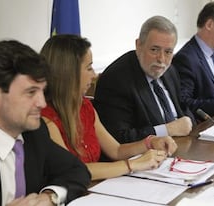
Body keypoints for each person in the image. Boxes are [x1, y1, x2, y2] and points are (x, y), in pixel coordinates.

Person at [0, 40, 90, 206]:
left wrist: (49, 197)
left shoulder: (33, 132)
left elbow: (77, 170)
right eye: (31, 92)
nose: (42, 103)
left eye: (42, 91)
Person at [40, 34, 177, 181]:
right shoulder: (45, 119)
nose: (93, 75)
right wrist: (132, 165)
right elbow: (73, 170)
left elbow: (116, 151)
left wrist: (150, 142)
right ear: (68, 73)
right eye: (89, 68)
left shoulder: (84, 106)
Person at [94, 16, 195, 144]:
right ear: (139, 45)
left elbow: (183, 109)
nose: (161, 59)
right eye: (154, 50)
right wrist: (167, 130)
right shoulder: (116, 80)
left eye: (168, 52)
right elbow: (119, 137)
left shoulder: (170, 71)